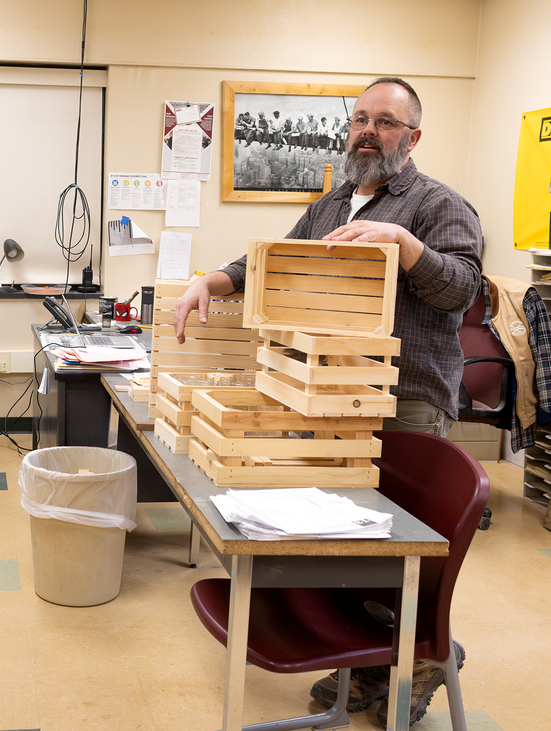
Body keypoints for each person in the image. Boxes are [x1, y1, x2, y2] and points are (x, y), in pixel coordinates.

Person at [173, 77, 481, 727]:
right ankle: (369, 658)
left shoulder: (436, 205)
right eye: (361, 119)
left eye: (387, 122)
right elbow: (275, 262)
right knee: (349, 539)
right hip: (331, 399)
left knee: (400, 543)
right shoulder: (331, 204)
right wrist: (210, 280)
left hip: (404, 399)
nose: (369, 131)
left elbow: (463, 288)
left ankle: (426, 650)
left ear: (414, 136)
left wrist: (406, 247)